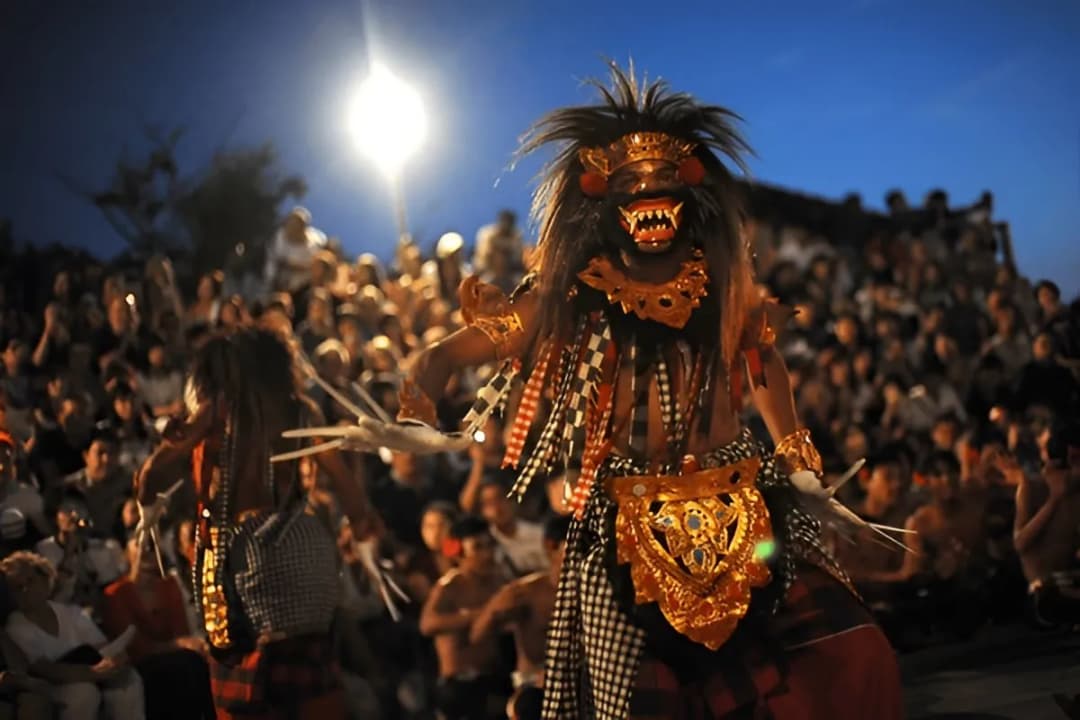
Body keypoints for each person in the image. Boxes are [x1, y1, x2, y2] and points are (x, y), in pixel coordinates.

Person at [396, 63, 901, 719]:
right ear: (599, 194)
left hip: (748, 506)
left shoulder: (720, 279)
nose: (650, 192)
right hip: (624, 523)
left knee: (851, 655)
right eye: (631, 180)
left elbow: (762, 359)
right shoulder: (571, 293)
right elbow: (454, 351)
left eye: (665, 177)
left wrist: (797, 453)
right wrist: (422, 394)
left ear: (692, 188)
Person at [135, 328, 380, 720]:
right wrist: (364, 536)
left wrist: (148, 506)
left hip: (246, 552)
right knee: (313, 677)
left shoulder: (217, 409)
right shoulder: (302, 410)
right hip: (307, 547)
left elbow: (151, 475)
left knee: (241, 676)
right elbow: (349, 490)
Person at [1, 551, 145, 720]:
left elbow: (102, 647)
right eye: (18, 588)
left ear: (44, 579)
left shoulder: (70, 612)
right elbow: (43, 669)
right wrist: (93, 673)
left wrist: (115, 661)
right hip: (55, 686)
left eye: (30, 581)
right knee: (83, 693)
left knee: (128, 680)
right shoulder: (16, 625)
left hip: (93, 674)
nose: (26, 589)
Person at [471, 515, 569, 720]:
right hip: (534, 688)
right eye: (575, 546)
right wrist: (493, 611)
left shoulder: (594, 590)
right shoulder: (524, 592)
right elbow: (477, 636)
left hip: (578, 680)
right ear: (551, 547)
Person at [419, 515, 510, 720]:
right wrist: (479, 615)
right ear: (458, 552)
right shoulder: (449, 586)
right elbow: (427, 624)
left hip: (494, 677)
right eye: (478, 547)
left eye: (489, 546)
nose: (487, 554)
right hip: (459, 686)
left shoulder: (498, 581)